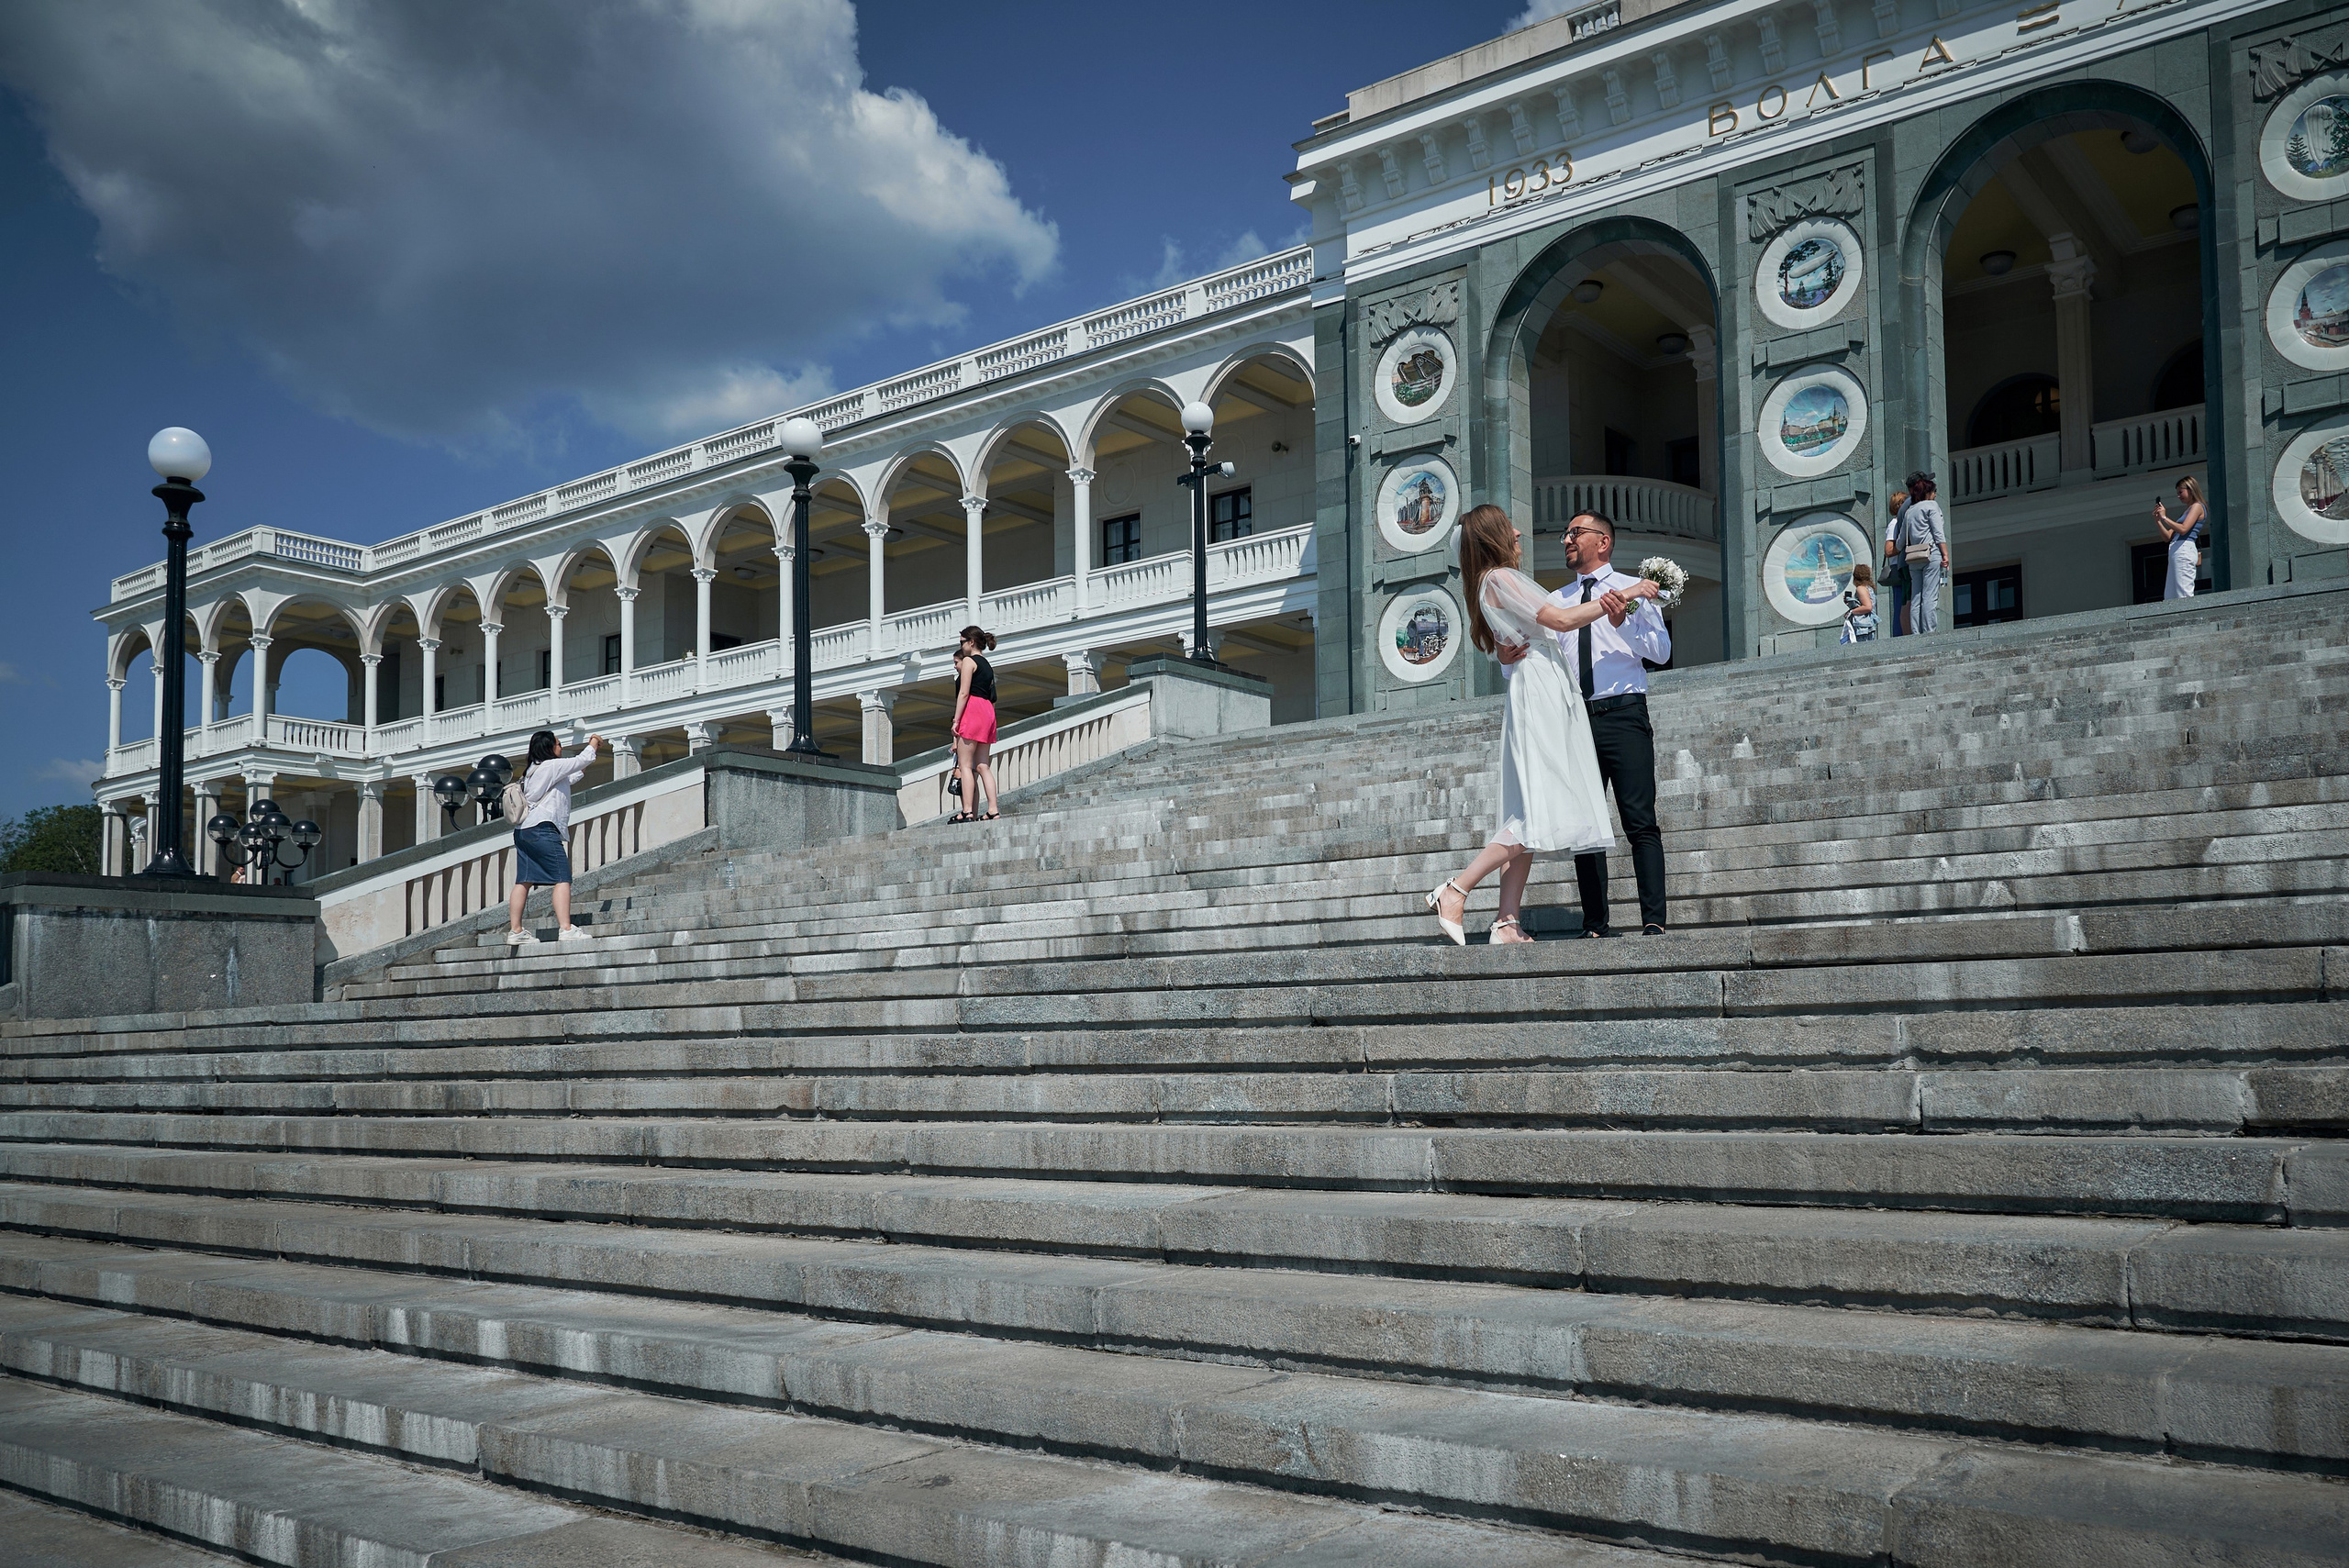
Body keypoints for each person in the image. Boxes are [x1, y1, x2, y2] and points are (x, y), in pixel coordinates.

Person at [1426, 505, 1656, 945]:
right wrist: (1628, 593)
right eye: (1507, 526)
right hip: (1542, 694)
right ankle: (1456, 889)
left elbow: (1515, 640)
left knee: (1527, 809)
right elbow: (1563, 619)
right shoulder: (1501, 578)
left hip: (1539, 687)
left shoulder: (1489, 583)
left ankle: (1506, 921)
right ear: (1492, 535)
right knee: (1536, 812)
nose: (1517, 532)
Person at [1497, 508, 1675, 937]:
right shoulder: (1555, 601)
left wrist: (1623, 622)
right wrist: (1503, 658)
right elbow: (1527, 655)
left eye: (1576, 532)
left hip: (1625, 714)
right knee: (1586, 827)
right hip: (1575, 720)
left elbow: (1661, 651)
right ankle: (1595, 923)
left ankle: (1653, 920)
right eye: (1565, 533)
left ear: (1603, 542)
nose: (1567, 540)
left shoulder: (1632, 590)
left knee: (1640, 819)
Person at [506, 728, 601, 946]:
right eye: (558, 744)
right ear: (549, 747)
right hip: (543, 828)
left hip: (524, 831)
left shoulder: (531, 771)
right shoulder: (551, 765)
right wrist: (594, 741)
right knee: (562, 878)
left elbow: (574, 774)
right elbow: (582, 759)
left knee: (524, 880)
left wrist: (586, 761)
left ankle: (516, 930)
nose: (561, 747)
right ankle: (566, 928)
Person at [949, 626, 1001, 823]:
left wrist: (956, 720)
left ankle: (967, 810)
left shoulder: (969, 661)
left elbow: (964, 693)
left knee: (965, 765)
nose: (960, 646)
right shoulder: (987, 664)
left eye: (962, 642)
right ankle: (993, 810)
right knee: (983, 765)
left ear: (971, 642)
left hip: (973, 709)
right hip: (988, 712)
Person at [1897, 472, 1949, 635]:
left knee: (1916, 597)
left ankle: (1916, 633)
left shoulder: (1909, 511)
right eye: (1934, 492)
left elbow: (1900, 543)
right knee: (1929, 596)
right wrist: (1945, 555)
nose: (1935, 495)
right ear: (1927, 492)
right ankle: (1929, 632)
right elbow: (1938, 533)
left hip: (1913, 558)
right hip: (1931, 553)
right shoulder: (1931, 506)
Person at [2154, 476, 2208, 599]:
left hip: (2184, 548)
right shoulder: (2187, 511)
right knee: (2171, 595)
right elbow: (2167, 537)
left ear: (2190, 489)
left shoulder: (2197, 506)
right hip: (2176, 548)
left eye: (2180, 492)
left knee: (2183, 593)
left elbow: (2183, 529)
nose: (2179, 496)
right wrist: (2158, 521)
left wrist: (2165, 518)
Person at [1882, 492, 1910, 636]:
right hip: (1898, 569)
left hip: (1902, 567)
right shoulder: (1894, 524)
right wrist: (1902, 546)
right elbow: (1888, 550)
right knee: (1901, 603)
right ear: (1900, 505)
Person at [1841, 562, 1879, 643]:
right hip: (1868, 625)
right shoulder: (1868, 588)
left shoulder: (1860, 588)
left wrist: (1852, 612)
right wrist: (1851, 603)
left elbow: (1867, 607)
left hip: (1862, 627)